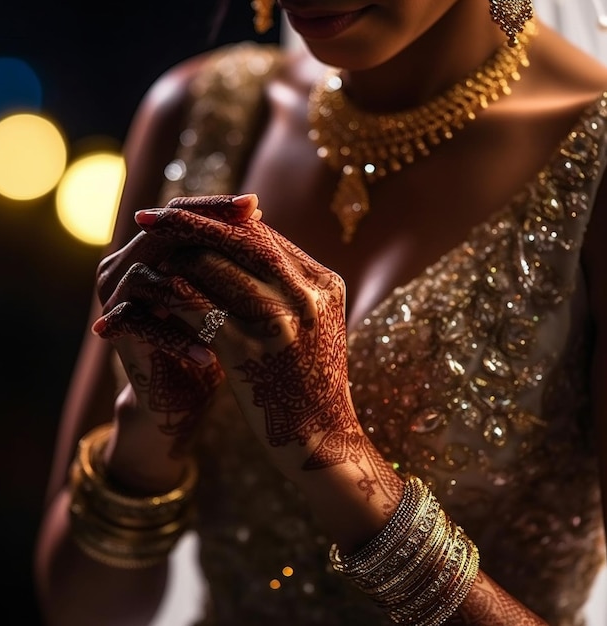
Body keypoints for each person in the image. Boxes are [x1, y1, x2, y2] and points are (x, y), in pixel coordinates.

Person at [34, 1, 607, 625]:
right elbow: (76, 607)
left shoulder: (594, 164)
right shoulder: (204, 113)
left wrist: (331, 453)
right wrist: (151, 432)